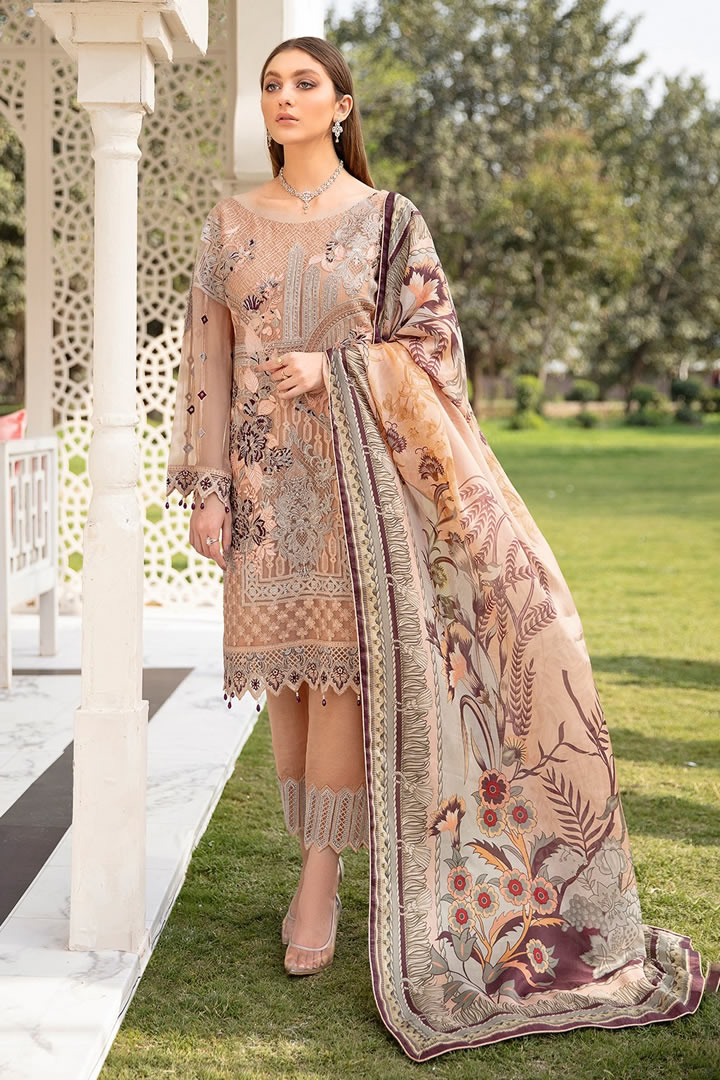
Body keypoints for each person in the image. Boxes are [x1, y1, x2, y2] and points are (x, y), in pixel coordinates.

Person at [165, 34, 716, 1062]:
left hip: (362, 495)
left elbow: (435, 348)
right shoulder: (227, 225)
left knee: (343, 680)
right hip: (264, 491)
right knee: (289, 684)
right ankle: (318, 856)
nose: (285, 98)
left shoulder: (389, 221)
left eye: (305, 84)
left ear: (342, 105)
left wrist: (335, 370)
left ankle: (320, 882)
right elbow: (207, 363)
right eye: (273, 85)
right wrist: (206, 490)